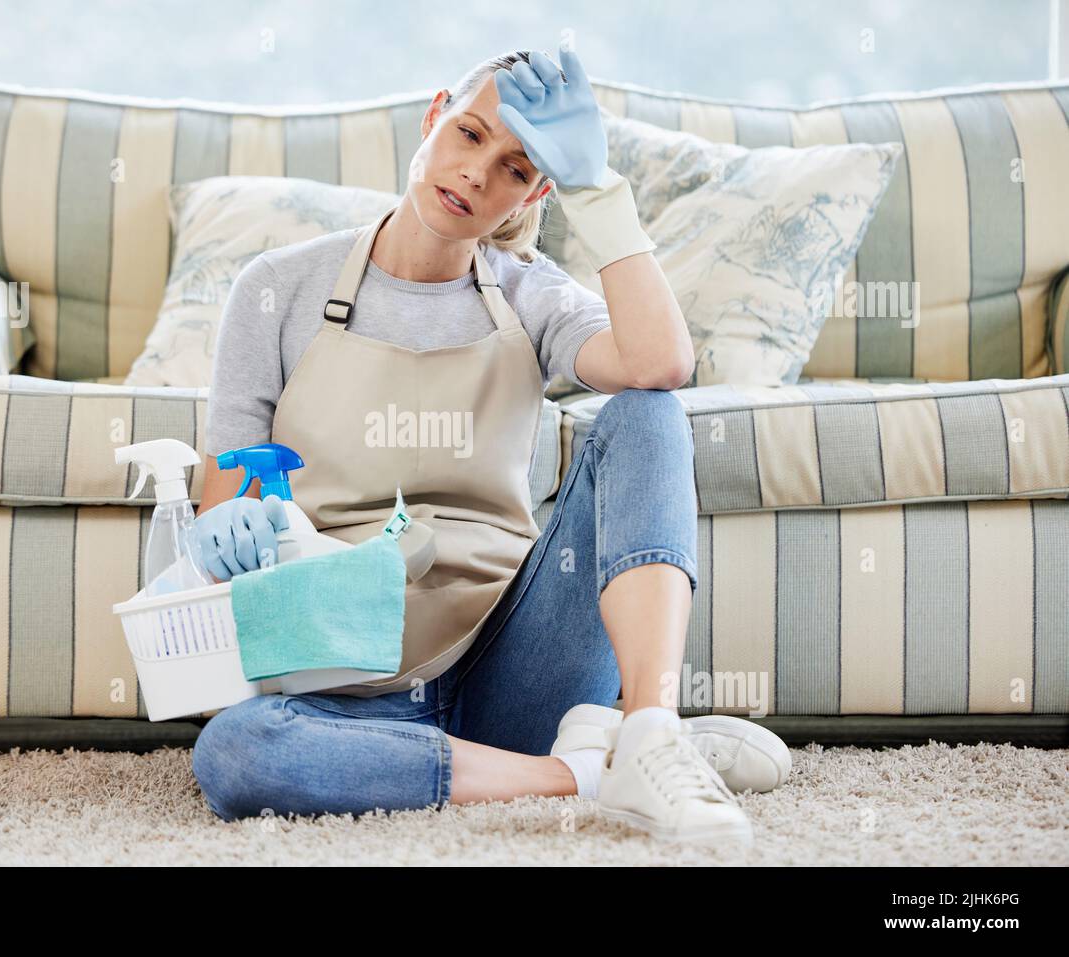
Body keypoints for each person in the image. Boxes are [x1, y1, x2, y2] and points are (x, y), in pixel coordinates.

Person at [190, 47, 789, 845]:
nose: (476, 173)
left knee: (649, 412)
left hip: (515, 666)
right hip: (338, 680)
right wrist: (223, 528)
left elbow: (660, 364)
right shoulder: (277, 289)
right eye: (469, 134)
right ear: (435, 113)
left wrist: (598, 190)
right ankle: (584, 769)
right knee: (236, 750)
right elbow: (222, 495)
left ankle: (647, 726)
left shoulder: (529, 294)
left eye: (514, 168)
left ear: (537, 190)